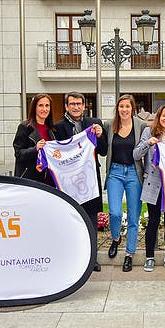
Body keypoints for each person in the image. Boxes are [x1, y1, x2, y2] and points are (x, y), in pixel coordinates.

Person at [53, 92, 107, 272]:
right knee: (71, 218)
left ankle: (92, 259)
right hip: (68, 181)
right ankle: (73, 258)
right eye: (72, 104)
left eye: (79, 103)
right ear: (67, 106)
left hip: (89, 179)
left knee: (91, 219)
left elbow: (104, 151)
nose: (76, 107)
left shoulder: (94, 124)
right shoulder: (57, 127)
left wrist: (100, 136)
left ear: (84, 106)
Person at [133, 104, 165, 272]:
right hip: (153, 182)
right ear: (159, 116)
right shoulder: (149, 132)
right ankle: (149, 257)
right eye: (164, 115)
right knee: (153, 221)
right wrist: (148, 143)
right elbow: (136, 154)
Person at [103, 94, 146, 272]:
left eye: (127, 107)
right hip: (115, 172)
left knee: (134, 216)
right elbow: (100, 144)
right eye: (121, 107)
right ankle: (115, 238)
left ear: (132, 108)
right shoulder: (108, 125)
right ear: (117, 108)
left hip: (134, 173)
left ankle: (129, 254)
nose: (124, 110)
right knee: (114, 212)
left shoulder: (141, 126)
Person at [13, 94, 55, 185]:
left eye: (47, 105)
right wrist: (35, 148)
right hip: (30, 179)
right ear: (34, 108)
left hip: (49, 179)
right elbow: (18, 154)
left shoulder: (52, 129)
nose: (44, 109)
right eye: (40, 105)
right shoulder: (24, 127)